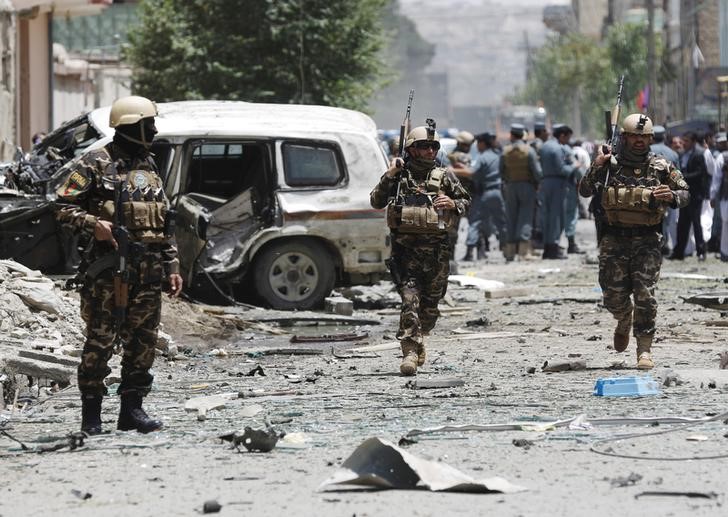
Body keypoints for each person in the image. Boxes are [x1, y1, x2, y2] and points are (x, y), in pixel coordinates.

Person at [55, 96, 183, 434]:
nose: (154, 130)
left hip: (148, 273)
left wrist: (172, 266)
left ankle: (132, 412)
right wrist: (93, 224)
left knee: (142, 344)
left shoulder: (150, 166)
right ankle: (92, 417)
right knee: (100, 343)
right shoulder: (96, 162)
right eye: (149, 124)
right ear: (132, 125)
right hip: (107, 273)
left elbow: (164, 222)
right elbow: (60, 206)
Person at [579, 114, 689, 370]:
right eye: (634, 136)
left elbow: (685, 193)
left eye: (644, 137)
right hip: (614, 239)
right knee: (613, 296)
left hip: (647, 240)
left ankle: (644, 349)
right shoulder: (609, 166)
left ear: (650, 139)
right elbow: (584, 190)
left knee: (646, 295)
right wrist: (597, 165)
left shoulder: (661, 166)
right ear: (624, 137)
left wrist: (671, 195)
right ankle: (623, 318)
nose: (639, 141)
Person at [370, 123, 470, 376]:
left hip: (437, 255)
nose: (430, 151)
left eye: (433, 146)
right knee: (409, 303)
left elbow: (466, 200)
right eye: (424, 146)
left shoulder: (444, 175)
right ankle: (410, 352)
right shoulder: (399, 177)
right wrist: (390, 174)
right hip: (406, 256)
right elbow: (376, 201)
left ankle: (420, 336)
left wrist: (453, 202)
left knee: (430, 308)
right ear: (411, 150)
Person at [499, 123, 542, 260]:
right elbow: (538, 172)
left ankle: (510, 251)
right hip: (527, 187)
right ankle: (524, 252)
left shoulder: (505, 151)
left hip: (510, 186)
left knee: (511, 217)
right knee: (525, 217)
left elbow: (501, 171)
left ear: (511, 135)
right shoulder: (529, 150)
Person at [462, 132, 507, 261]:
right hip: (497, 192)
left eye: (478, 143)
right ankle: (506, 249)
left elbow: (472, 173)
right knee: (501, 222)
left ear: (482, 143)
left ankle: (470, 252)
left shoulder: (482, 158)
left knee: (475, 221)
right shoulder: (497, 156)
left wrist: (454, 170)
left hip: (484, 193)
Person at [670, 131, 709, 260]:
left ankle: (701, 251)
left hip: (695, 194)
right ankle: (679, 252)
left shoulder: (698, 154)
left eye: (686, 141)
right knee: (682, 223)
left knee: (696, 223)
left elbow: (700, 173)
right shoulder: (682, 154)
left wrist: (683, 177)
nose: (683, 143)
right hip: (684, 194)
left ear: (692, 141)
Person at [539, 124, 577, 259]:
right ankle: (553, 249)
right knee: (556, 218)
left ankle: (546, 249)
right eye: (567, 137)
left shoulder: (544, 146)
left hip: (545, 183)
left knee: (546, 217)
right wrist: (574, 166)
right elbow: (562, 169)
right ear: (562, 135)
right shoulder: (558, 149)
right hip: (558, 184)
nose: (568, 141)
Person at [651, 125, 680, 255]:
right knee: (667, 221)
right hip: (668, 193)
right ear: (664, 137)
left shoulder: (647, 150)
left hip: (650, 193)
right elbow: (678, 176)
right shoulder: (673, 153)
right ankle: (664, 244)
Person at [709, 132, 728, 261]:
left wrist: (713, 196)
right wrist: (713, 195)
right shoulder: (723, 157)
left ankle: (725, 253)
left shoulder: (723, 157)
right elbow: (716, 180)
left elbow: (716, 180)